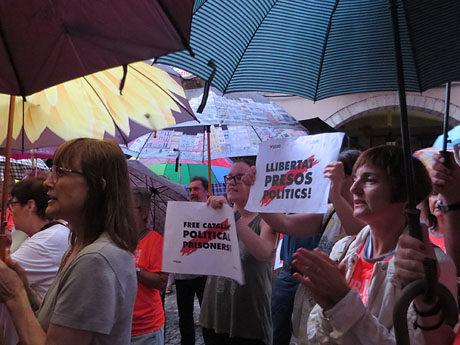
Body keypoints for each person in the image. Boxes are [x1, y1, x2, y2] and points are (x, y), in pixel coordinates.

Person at [292, 144, 456, 345]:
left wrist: (342, 302)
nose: (354, 188)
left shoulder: (431, 266)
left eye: (370, 180)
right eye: (354, 179)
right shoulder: (343, 249)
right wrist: (329, 305)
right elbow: (317, 335)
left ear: (405, 193)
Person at [0, 138, 138, 345]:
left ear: (96, 187)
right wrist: (26, 290)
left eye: (61, 172)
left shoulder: (96, 260)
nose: (48, 181)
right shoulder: (79, 247)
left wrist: (14, 295)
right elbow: (55, 323)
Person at [242, 149, 363, 345]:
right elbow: (284, 224)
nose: (329, 181)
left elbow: (357, 233)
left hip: (344, 306)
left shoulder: (367, 217)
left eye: (338, 175)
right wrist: (257, 191)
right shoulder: (330, 212)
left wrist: (336, 194)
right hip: (313, 303)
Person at [202, 159, 278, 345]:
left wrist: (232, 217)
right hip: (214, 314)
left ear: (255, 183)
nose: (231, 182)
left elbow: (264, 253)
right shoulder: (215, 216)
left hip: (248, 321)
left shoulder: (265, 218)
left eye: (239, 177)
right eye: (229, 178)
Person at [0, 175, 70, 345]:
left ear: (30, 205)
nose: (11, 211)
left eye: (13, 204)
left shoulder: (46, 241)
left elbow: (4, 276)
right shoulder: (55, 233)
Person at [131, 187, 168, 345]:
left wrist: (134, 269)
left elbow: (162, 282)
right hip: (121, 325)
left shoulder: (155, 241)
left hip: (146, 329)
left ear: (143, 212)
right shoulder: (120, 239)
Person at [175, 176, 209, 345]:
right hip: (183, 276)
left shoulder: (214, 212)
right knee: (185, 317)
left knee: (209, 318)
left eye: (196, 189)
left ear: (206, 192)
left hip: (204, 275)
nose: (192, 193)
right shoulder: (182, 212)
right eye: (190, 189)